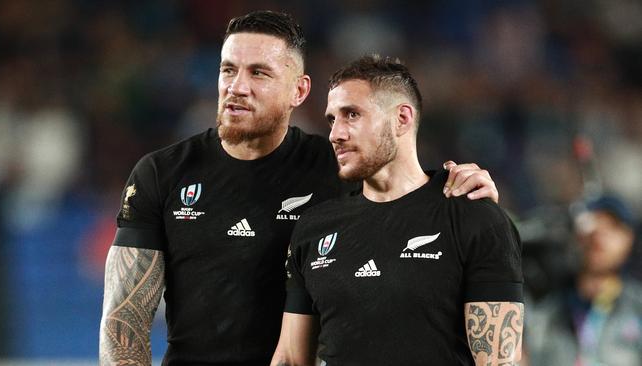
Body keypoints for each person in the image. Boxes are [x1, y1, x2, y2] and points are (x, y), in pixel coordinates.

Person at [99, 11, 501, 366]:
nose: (237, 86)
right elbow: (125, 317)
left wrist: (464, 189)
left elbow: (410, 187)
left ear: (299, 91)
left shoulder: (338, 166)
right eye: (227, 70)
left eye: (258, 72)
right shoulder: (163, 173)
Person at [272, 55, 524, 366]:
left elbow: (499, 362)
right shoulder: (315, 227)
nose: (336, 134)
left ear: (402, 118)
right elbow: (291, 359)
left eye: (351, 115)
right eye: (332, 119)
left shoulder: (473, 217)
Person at [526, 194, 642, 366]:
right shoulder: (545, 311)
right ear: (576, 235)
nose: (600, 234)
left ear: (629, 240)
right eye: (593, 222)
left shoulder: (637, 308)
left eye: (613, 226)